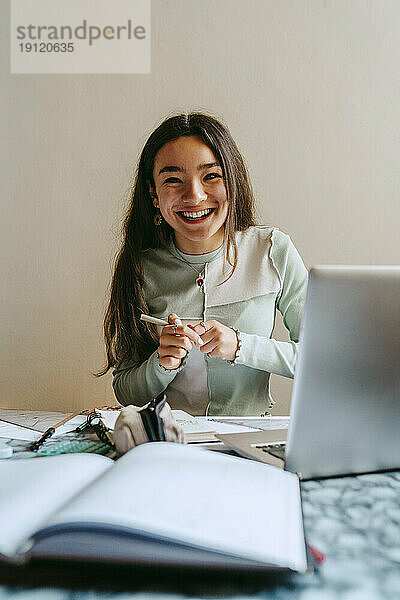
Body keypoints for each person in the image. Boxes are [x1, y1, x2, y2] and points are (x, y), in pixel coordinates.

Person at [98, 112, 308, 418]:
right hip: (170, 441)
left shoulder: (272, 250)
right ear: (153, 194)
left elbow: (321, 363)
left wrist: (241, 346)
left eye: (211, 176)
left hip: (250, 441)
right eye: (173, 180)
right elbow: (126, 390)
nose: (194, 196)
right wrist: (162, 362)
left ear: (232, 181)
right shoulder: (140, 266)